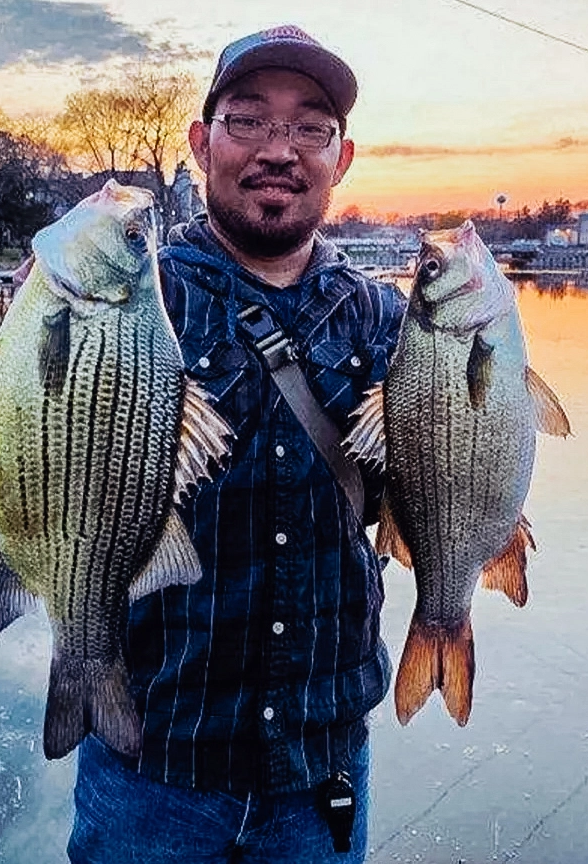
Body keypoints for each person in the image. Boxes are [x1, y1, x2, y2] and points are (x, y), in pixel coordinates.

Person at [68, 26, 406, 864]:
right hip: (150, 770)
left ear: (342, 158)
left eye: (310, 128)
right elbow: (42, 452)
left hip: (320, 772)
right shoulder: (130, 297)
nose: (278, 150)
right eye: (248, 120)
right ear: (201, 143)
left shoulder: (390, 322)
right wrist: (44, 315)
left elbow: (421, 503)